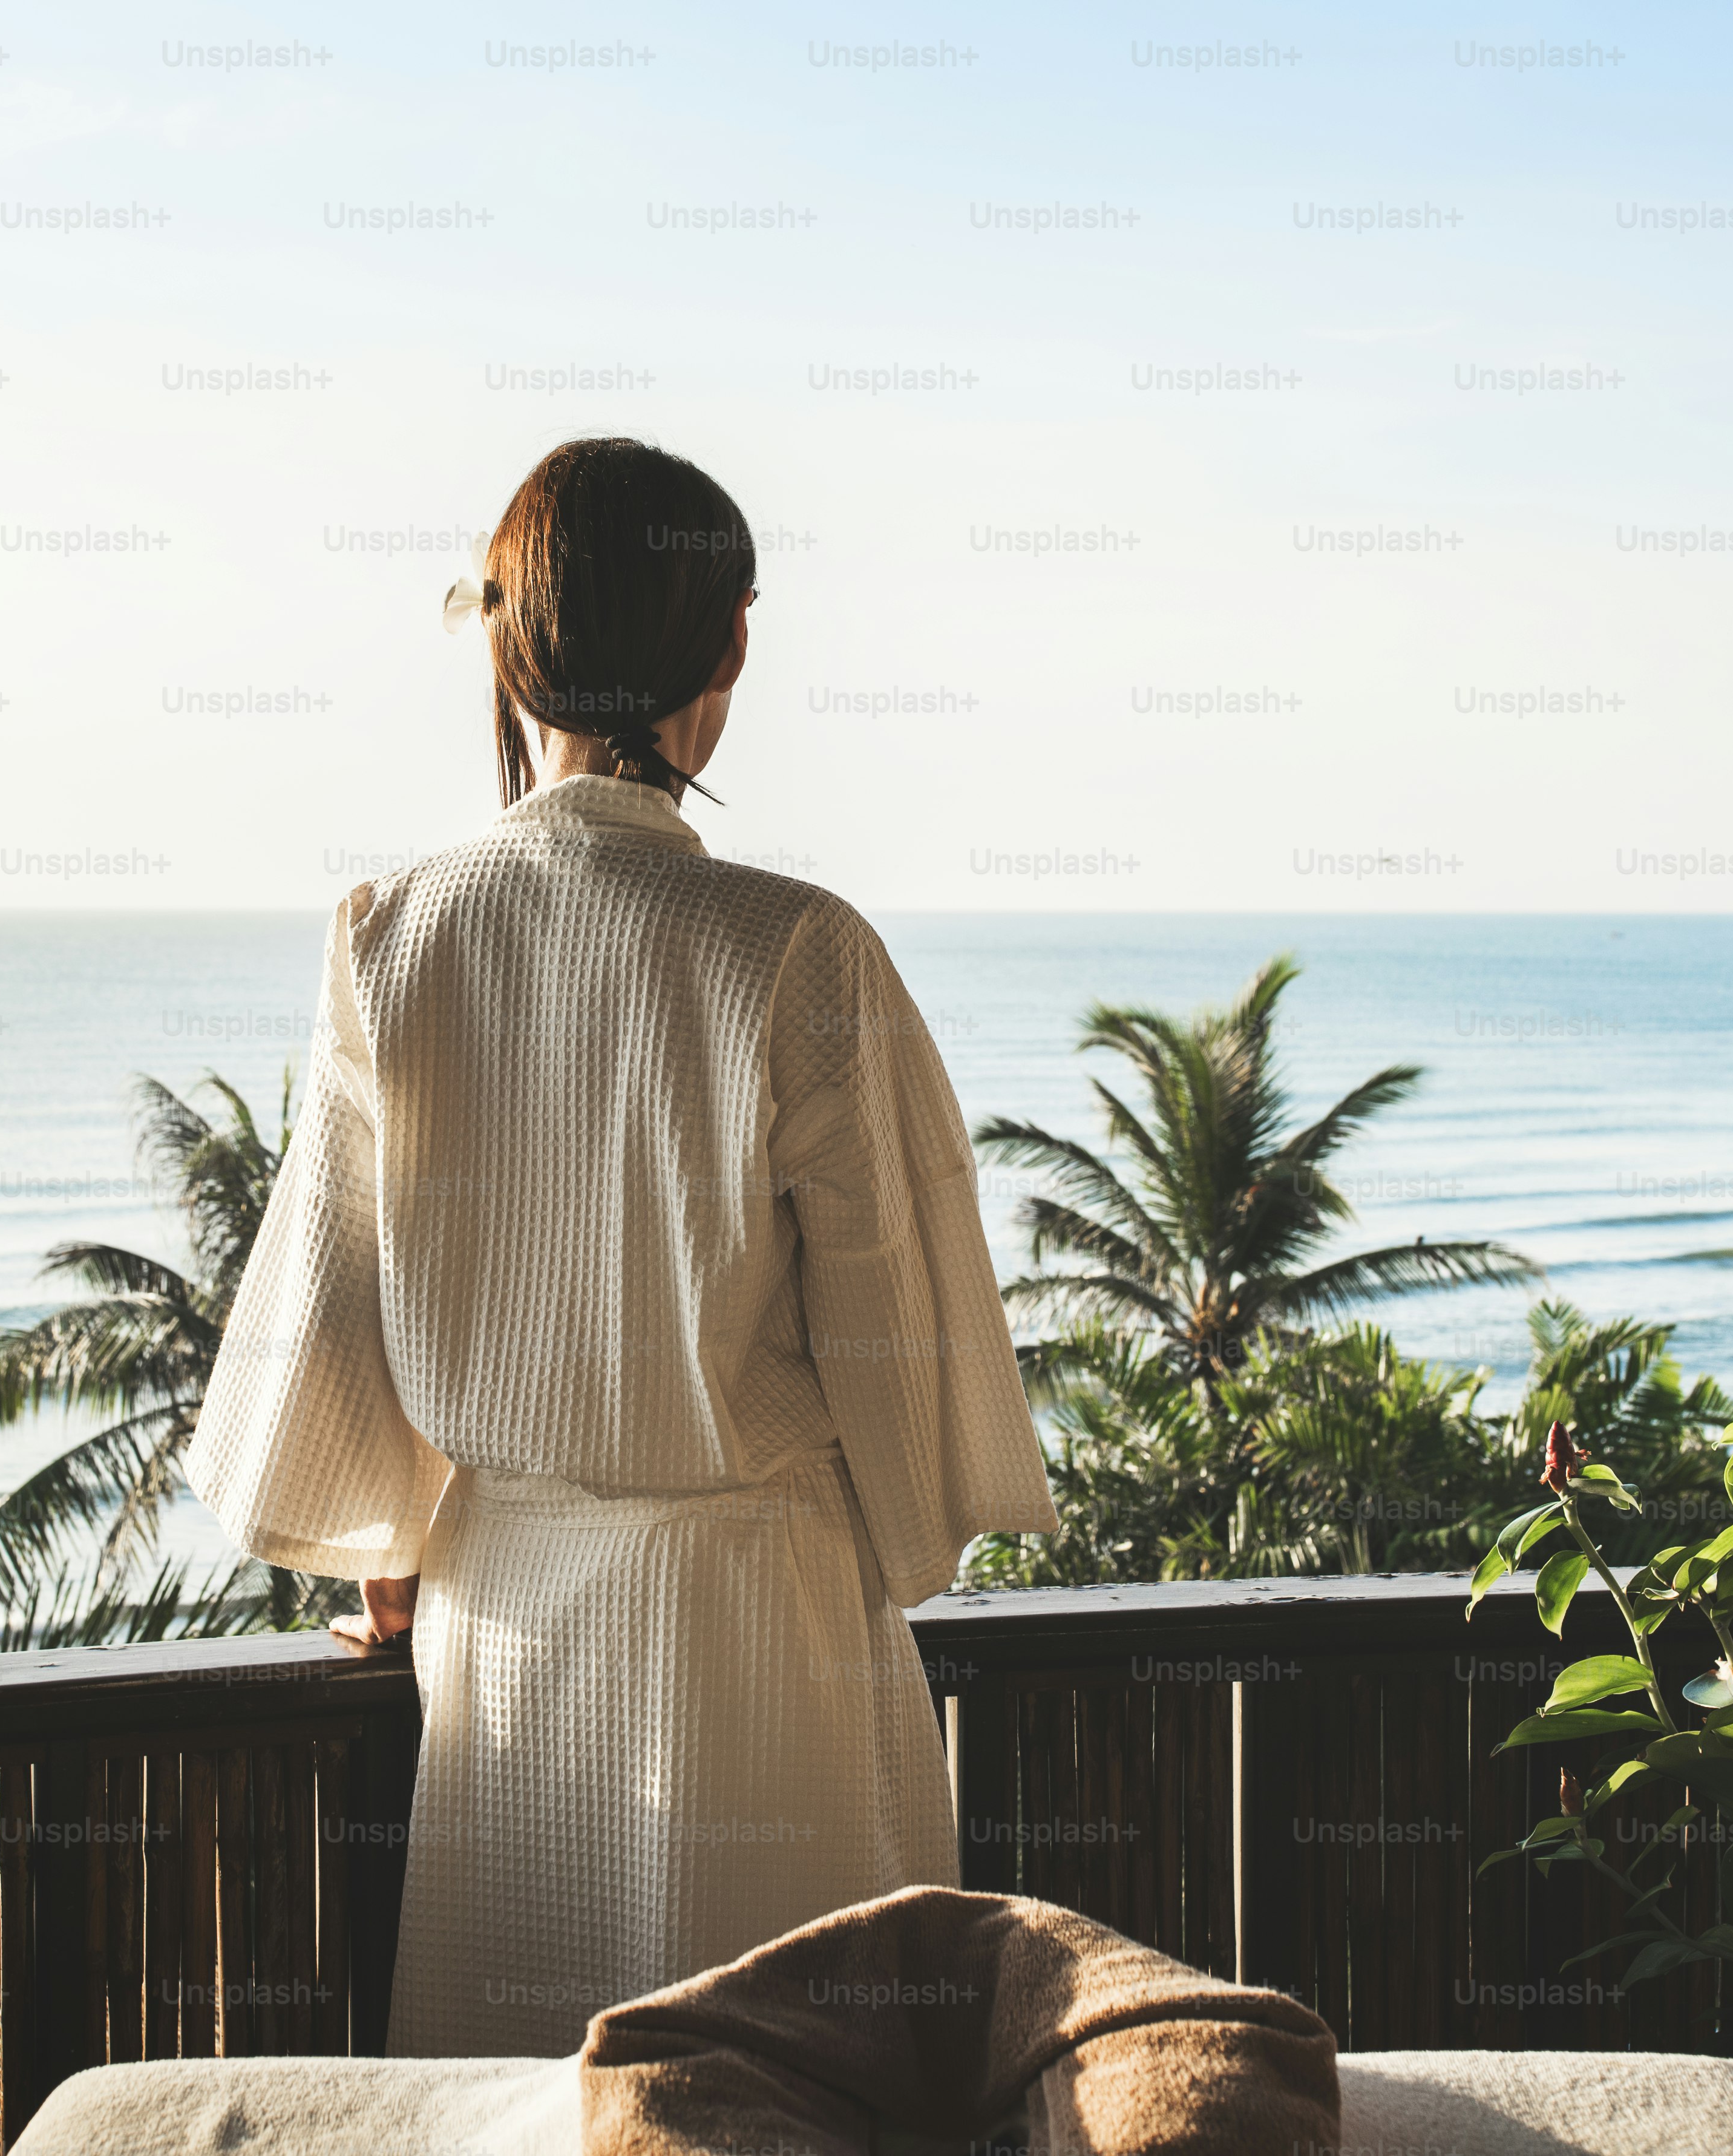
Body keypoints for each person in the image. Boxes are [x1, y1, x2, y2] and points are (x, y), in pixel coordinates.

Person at [188, 437, 1055, 2060]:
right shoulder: (796, 952)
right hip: (767, 1630)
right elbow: (894, 1347)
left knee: (533, 2092)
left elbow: (334, 1295)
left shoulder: (392, 937)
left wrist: (395, 1541)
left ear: (504, 645)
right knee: (809, 2085)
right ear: (729, 645)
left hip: (511, 1635)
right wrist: (903, 1530)